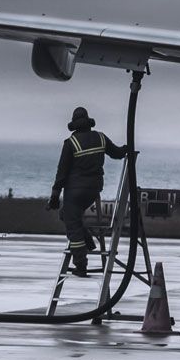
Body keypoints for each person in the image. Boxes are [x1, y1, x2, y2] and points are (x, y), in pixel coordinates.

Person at [47, 106, 128, 275]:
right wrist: (127, 149)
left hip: (75, 191)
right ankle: (88, 242)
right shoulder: (101, 137)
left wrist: (54, 196)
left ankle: (81, 264)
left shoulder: (71, 143)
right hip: (94, 189)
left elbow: (61, 172)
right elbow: (117, 154)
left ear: (74, 125)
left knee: (72, 222)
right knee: (67, 214)